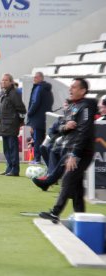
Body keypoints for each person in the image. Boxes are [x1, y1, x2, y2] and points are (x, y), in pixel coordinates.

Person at [39, 78, 96, 223]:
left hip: (81, 153)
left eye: (74, 87)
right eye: (70, 87)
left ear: (83, 91)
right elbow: (60, 128)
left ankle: (55, 213)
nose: (70, 90)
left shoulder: (86, 108)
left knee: (67, 180)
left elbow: (84, 131)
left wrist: (75, 154)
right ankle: (82, 217)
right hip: (69, 150)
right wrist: (65, 127)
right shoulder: (72, 106)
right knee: (76, 188)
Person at [0, 73, 27, 176]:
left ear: (11, 82)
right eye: (2, 80)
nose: (3, 82)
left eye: (6, 80)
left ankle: (15, 169)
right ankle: (9, 167)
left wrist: (19, 122)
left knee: (12, 148)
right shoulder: (4, 93)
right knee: (6, 149)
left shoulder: (14, 93)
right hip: (4, 125)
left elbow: (22, 109)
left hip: (11, 125)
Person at [26, 72, 54, 165]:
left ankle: (37, 159)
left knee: (37, 139)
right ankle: (43, 159)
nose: (34, 79)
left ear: (39, 78)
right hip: (45, 118)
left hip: (37, 119)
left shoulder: (38, 88)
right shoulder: (48, 89)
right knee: (43, 139)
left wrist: (29, 113)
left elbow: (35, 102)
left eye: (35, 77)